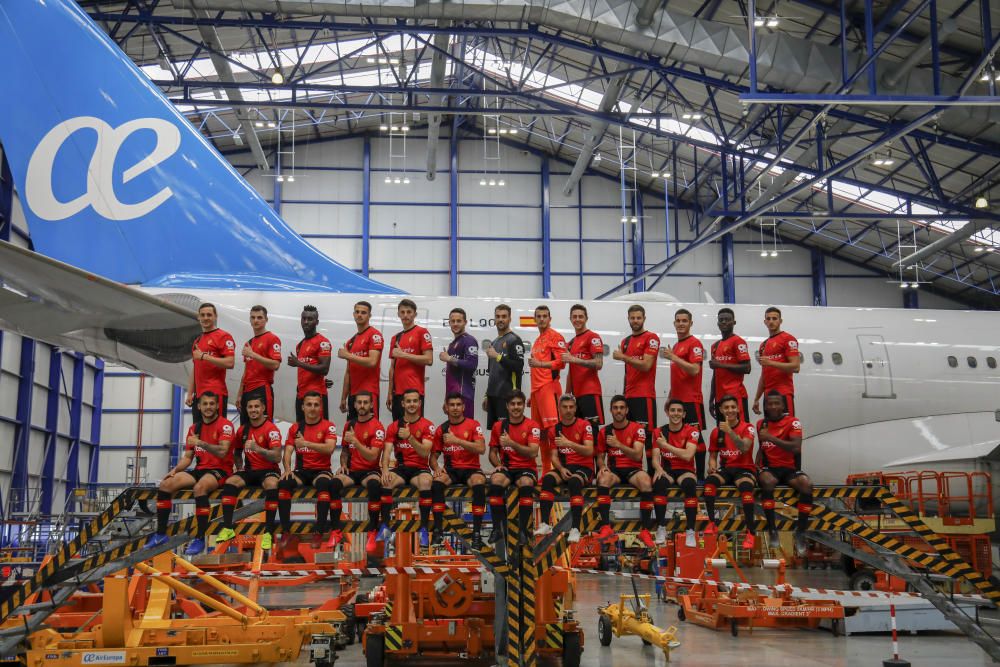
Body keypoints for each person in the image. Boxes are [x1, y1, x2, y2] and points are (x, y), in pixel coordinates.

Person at [148, 392, 234, 553]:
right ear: (199, 407)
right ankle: (160, 534)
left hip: (220, 470)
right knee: (166, 485)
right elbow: (188, 457)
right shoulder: (194, 428)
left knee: (199, 488)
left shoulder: (225, 425)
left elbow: (223, 451)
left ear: (217, 406)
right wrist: (175, 470)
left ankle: (200, 537)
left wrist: (200, 442)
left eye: (211, 404)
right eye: (205, 404)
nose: (208, 407)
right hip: (200, 469)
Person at [216, 397, 283, 549]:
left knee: (272, 485)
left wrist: (258, 448)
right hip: (250, 471)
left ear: (263, 408)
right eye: (250, 407)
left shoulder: (271, 429)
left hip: (268, 471)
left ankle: (268, 532)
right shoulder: (243, 430)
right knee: (230, 483)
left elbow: (277, 456)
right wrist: (239, 467)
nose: (253, 410)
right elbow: (237, 451)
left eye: (256, 407)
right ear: (246, 409)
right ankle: (228, 528)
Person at [278, 392, 339, 548]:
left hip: (321, 471)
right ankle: (286, 531)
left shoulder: (328, 425)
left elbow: (329, 448)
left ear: (321, 407)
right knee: (284, 483)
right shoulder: (295, 427)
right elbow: (288, 450)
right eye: (309, 404)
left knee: (324, 484)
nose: (312, 408)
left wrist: (306, 443)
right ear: (303, 407)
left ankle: (319, 532)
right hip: (302, 471)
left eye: (316, 404)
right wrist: (287, 469)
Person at [330, 391, 387, 554]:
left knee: (375, 486)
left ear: (371, 405)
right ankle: (336, 531)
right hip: (353, 471)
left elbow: (373, 456)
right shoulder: (349, 425)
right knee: (333, 484)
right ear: (354, 405)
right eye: (359, 402)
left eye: (365, 402)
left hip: (370, 471)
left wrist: (356, 441)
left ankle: (372, 530)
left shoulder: (377, 426)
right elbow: (345, 451)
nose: (362, 406)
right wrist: (342, 464)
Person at [756, 391, 812, 556]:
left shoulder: (793, 422)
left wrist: (771, 437)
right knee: (766, 481)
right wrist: (756, 465)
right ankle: (773, 529)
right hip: (770, 469)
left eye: (776, 403)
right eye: (769, 404)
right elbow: (761, 447)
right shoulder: (761, 424)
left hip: (790, 469)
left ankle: (800, 531)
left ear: (783, 405)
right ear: (765, 406)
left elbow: (795, 447)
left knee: (806, 485)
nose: (773, 406)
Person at [595, 396, 655, 548]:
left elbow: (636, 454)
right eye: (615, 408)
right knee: (602, 479)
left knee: (647, 482)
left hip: (633, 468)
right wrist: (602, 466)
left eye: (622, 407)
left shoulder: (637, 428)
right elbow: (600, 457)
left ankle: (645, 530)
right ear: (611, 410)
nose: (619, 410)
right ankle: (606, 527)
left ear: (627, 410)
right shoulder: (604, 431)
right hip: (614, 470)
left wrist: (618, 444)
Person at [431, 393, 487, 548]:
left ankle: (476, 533)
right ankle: (438, 531)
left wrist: (457, 440)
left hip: (471, 469)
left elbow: (481, 449)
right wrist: (436, 468)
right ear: (446, 408)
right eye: (452, 405)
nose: (455, 408)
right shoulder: (441, 429)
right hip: (451, 470)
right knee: (436, 484)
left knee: (479, 483)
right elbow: (433, 457)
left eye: (458, 405)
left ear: (463, 407)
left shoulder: (473, 425)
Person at [536, 395, 595, 544]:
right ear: (559, 409)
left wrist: (569, 443)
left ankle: (575, 528)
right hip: (565, 468)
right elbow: (554, 456)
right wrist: (561, 469)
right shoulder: (554, 429)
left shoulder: (584, 425)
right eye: (565, 407)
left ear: (575, 408)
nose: (568, 410)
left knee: (574, 482)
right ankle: (545, 524)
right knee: (548, 479)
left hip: (584, 468)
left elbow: (589, 451)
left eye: (571, 407)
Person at [382, 389, 437, 546]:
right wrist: (385, 469)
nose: (412, 404)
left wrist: (410, 437)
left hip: (420, 468)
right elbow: (386, 451)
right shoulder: (394, 426)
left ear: (419, 403)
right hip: (402, 468)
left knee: (426, 483)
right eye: (408, 401)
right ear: (403, 403)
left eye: (415, 401)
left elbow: (425, 452)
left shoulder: (427, 425)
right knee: (385, 481)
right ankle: (385, 527)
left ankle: (424, 528)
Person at [704, 395, 759, 550]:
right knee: (709, 483)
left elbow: (744, 447)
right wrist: (712, 465)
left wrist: (730, 431)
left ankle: (750, 532)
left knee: (746, 488)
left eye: (733, 407)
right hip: (727, 468)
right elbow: (713, 455)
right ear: (721, 410)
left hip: (745, 468)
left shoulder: (748, 427)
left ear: (738, 409)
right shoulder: (716, 432)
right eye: (726, 407)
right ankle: (712, 523)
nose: (730, 410)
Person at [486, 390, 540, 545]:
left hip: (526, 468)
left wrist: (512, 444)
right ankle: (498, 529)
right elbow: (492, 453)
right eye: (513, 404)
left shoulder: (532, 425)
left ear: (524, 406)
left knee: (526, 484)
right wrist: (497, 465)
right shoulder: (498, 426)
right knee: (495, 481)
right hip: (507, 468)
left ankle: (523, 530)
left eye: (519, 404)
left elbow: (533, 452)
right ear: (507, 406)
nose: (516, 407)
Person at [660, 308, 706, 478]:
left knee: (697, 439)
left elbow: (694, 369)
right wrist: (670, 398)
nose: (681, 324)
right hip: (677, 401)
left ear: (690, 323)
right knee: (680, 438)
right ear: (674, 323)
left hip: (691, 400)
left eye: (684, 321)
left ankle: (700, 476)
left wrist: (674, 358)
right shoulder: (677, 345)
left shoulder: (695, 344)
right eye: (678, 321)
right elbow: (678, 376)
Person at [651, 400, 700, 547]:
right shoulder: (658, 431)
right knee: (659, 483)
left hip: (686, 470)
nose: (676, 413)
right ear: (667, 413)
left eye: (679, 411)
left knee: (690, 485)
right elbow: (654, 458)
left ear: (684, 414)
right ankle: (661, 527)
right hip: (668, 470)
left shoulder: (692, 431)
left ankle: (690, 531)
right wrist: (658, 469)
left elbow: (687, 456)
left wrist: (666, 445)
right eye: (672, 410)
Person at [612, 305, 660, 429]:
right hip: (628, 397)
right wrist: (624, 395)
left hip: (644, 396)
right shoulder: (625, 342)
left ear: (644, 318)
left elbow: (646, 365)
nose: (635, 320)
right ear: (628, 319)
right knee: (630, 437)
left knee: (648, 438)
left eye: (638, 318)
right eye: (632, 318)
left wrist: (623, 357)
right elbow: (627, 372)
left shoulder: (651, 338)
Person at [186, 303, 235, 424]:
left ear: (215, 316)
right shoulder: (198, 340)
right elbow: (195, 368)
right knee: (198, 433)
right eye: (202, 315)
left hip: (216, 393)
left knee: (218, 432)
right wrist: (190, 393)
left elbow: (230, 362)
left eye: (209, 315)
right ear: (198, 317)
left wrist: (204, 356)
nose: (205, 318)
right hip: (199, 396)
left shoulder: (223, 336)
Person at [386, 299, 434, 421]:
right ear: (398, 314)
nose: (405, 315)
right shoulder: (395, 338)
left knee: (414, 431)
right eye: (402, 312)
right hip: (397, 394)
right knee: (398, 431)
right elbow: (392, 368)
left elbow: (429, 359)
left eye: (409, 312)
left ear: (415, 314)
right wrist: (389, 392)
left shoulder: (422, 332)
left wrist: (404, 355)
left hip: (414, 393)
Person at [527, 305, 566, 453]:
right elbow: (535, 369)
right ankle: (545, 470)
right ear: (534, 319)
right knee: (540, 433)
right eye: (539, 316)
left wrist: (540, 364)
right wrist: (532, 393)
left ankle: (557, 469)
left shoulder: (555, 336)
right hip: (537, 391)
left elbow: (561, 363)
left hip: (549, 388)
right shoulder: (537, 340)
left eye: (545, 316)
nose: (542, 319)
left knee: (553, 430)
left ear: (550, 319)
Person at [235, 305, 282, 423]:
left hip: (261, 388)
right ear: (250, 320)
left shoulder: (272, 338)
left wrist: (253, 354)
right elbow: (246, 370)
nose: (256, 320)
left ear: (266, 320)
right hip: (247, 391)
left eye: (259, 317)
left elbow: (275, 365)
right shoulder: (249, 343)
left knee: (264, 428)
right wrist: (240, 394)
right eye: (253, 317)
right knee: (245, 429)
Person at [339, 301, 384, 422]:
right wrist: (344, 397)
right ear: (353, 314)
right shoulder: (351, 341)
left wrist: (348, 355)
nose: (359, 315)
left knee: (369, 430)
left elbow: (372, 362)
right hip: (353, 395)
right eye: (357, 312)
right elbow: (348, 372)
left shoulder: (375, 335)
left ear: (369, 316)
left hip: (369, 394)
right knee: (352, 430)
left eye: (363, 312)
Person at [753, 307, 801, 419]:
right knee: (769, 431)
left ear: (780, 321)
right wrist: (757, 398)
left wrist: (771, 362)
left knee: (786, 430)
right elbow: (764, 376)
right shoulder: (763, 345)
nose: (771, 321)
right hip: (768, 396)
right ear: (765, 322)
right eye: (768, 319)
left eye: (774, 318)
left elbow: (796, 367)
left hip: (783, 394)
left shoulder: (788, 339)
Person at [562, 304, 605, 429]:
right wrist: (567, 394)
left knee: (593, 434)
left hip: (590, 393)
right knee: (579, 434)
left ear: (586, 318)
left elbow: (598, 363)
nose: (577, 319)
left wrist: (574, 359)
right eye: (574, 317)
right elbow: (571, 370)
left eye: (581, 316)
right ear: (570, 319)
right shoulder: (570, 343)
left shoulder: (593, 337)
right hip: (576, 396)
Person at [288, 305, 332, 423]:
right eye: (304, 318)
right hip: (301, 395)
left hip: (316, 396)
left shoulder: (323, 342)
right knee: (301, 431)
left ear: (317, 322)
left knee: (320, 433)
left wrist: (299, 363)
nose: (306, 322)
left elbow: (324, 369)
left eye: (310, 319)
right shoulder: (300, 345)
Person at [483, 304, 525, 429]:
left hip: (507, 397)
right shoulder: (495, 341)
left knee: (507, 435)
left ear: (510, 319)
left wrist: (498, 356)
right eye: (498, 316)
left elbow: (518, 366)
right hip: (493, 396)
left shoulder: (514, 340)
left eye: (504, 316)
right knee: (495, 436)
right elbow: (492, 373)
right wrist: (487, 395)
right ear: (494, 319)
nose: (500, 319)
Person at [709, 308, 751, 421]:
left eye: (727, 319)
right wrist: (711, 399)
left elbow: (747, 368)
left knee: (740, 432)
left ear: (734, 322)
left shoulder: (738, 342)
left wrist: (721, 365)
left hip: (735, 397)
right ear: (718, 323)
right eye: (721, 320)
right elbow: (715, 375)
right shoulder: (715, 346)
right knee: (722, 434)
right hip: (720, 399)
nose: (724, 322)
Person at [439, 308, 478, 418]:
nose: (455, 324)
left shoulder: (469, 340)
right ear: (449, 323)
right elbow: (450, 376)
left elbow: (472, 365)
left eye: (459, 321)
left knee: (465, 431)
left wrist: (450, 359)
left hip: (464, 395)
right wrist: (447, 398)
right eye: (453, 321)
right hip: (453, 397)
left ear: (465, 322)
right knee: (454, 431)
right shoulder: (453, 344)